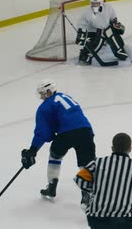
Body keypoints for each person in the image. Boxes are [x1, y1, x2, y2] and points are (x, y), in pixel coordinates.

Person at [20, 79, 95, 209]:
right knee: (86, 163)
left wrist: (33, 150)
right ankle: (87, 194)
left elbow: (43, 132)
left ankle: (52, 187)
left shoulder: (45, 107)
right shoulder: (67, 97)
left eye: (42, 94)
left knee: (55, 155)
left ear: (49, 91)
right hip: (86, 131)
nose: (42, 97)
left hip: (66, 134)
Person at [76, 0, 127, 66]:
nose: (95, 5)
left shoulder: (108, 7)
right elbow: (82, 23)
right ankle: (85, 55)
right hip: (95, 31)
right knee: (95, 44)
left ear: (101, 2)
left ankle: (120, 51)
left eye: (96, 3)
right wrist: (81, 33)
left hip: (107, 28)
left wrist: (115, 23)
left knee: (116, 42)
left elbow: (113, 17)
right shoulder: (87, 12)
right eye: (93, 3)